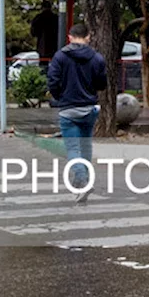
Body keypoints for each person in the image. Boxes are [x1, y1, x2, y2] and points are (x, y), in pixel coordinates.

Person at [46, 23, 107, 203]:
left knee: (73, 148)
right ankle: (83, 182)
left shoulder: (60, 57)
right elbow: (101, 84)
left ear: (70, 37)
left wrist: (60, 97)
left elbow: (52, 81)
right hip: (89, 108)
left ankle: (82, 181)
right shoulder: (97, 58)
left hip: (68, 109)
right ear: (88, 37)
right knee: (86, 146)